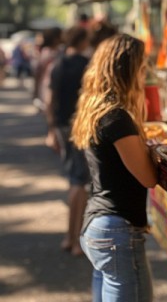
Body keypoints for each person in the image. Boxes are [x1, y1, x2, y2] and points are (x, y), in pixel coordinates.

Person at [72, 34, 158, 302]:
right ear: (128, 70)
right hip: (115, 232)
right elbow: (148, 177)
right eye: (142, 68)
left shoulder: (96, 108)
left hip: (98, 228)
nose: (145, 75)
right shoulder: (117, 117)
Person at [46, 26, 91, 256]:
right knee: (80, 182)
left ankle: (69, 237)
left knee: (74, 178)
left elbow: (50, 100)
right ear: (82, 40)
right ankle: (75, 240)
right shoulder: (86, 64)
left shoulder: (59, 65)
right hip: (80, 127)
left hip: (63, 127)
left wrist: (52, 129)